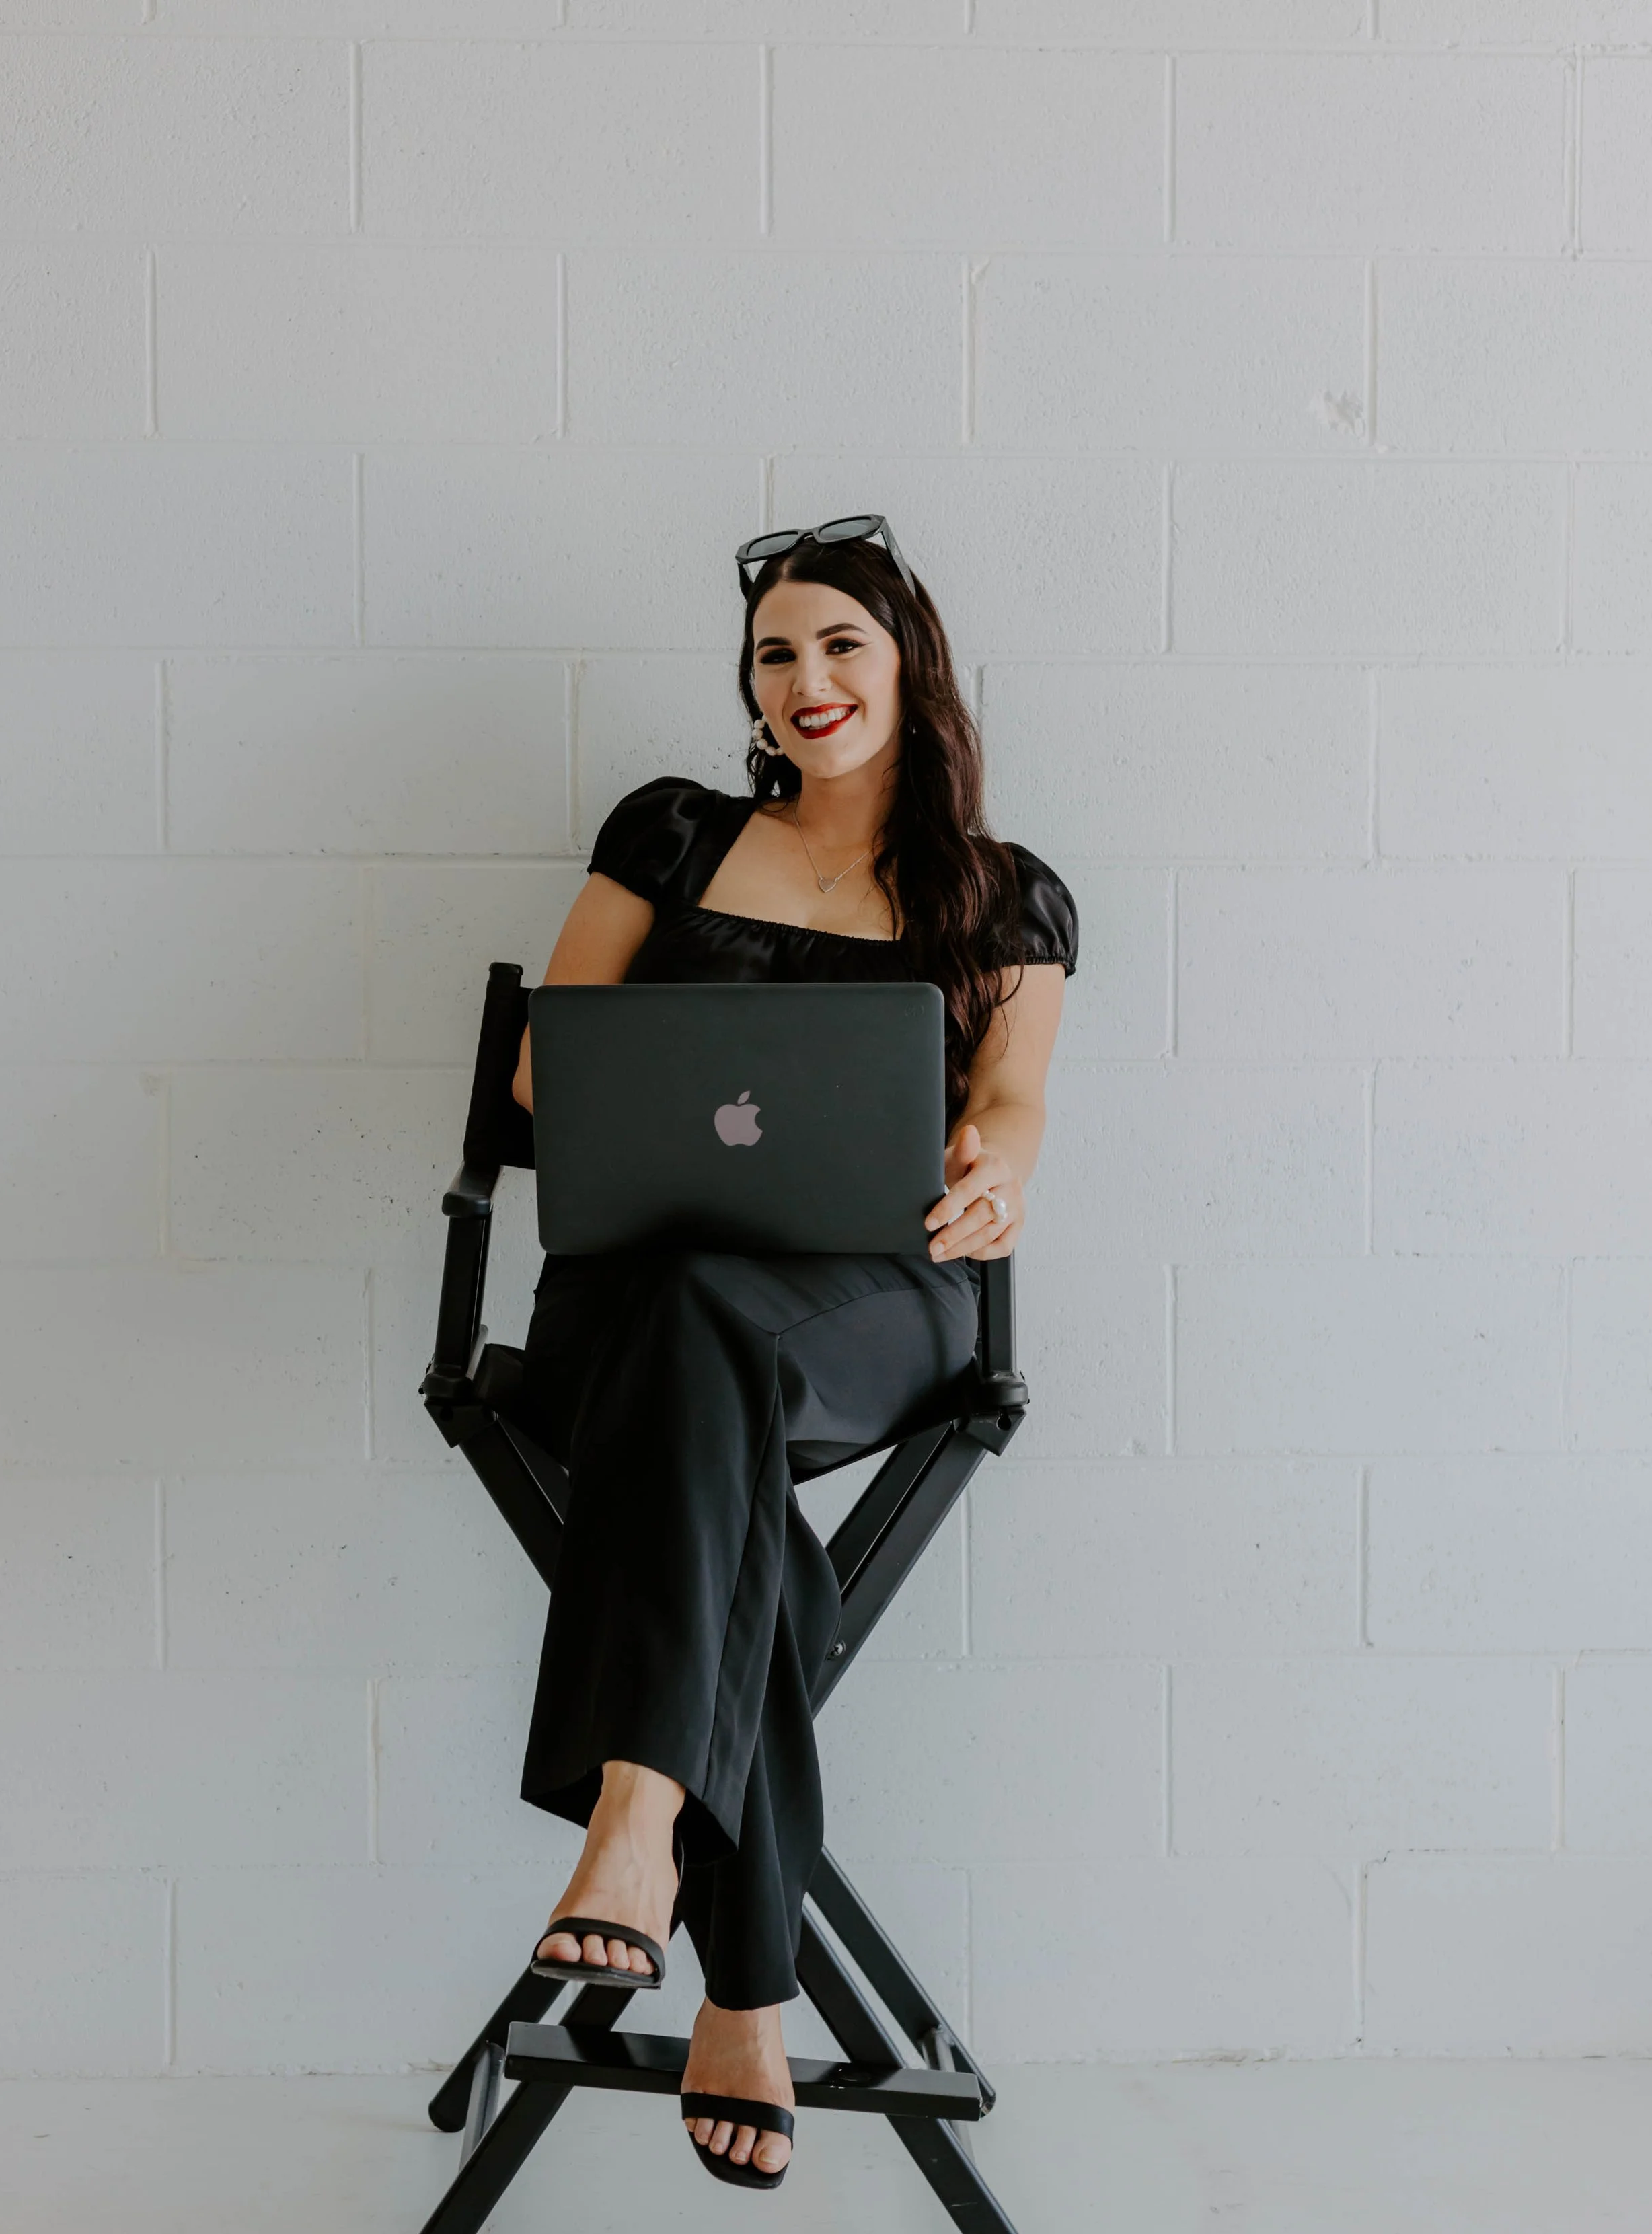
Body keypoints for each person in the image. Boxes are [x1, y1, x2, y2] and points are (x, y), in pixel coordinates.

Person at [506, 516, 1077, 2190]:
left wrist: (995, 1168)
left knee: (710, 1369)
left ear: (908, 665)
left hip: (869, 1303)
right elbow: (550, 1078)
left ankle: (638, 1820)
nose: (807, 680)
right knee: (711, 1413)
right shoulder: (670, 834)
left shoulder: (1001, 894)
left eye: (840, 644)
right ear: (749, 686)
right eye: (775, 652)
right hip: (647, 1296)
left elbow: (1014, 1104)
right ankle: (746, 1990)